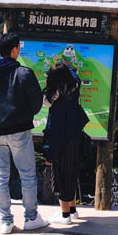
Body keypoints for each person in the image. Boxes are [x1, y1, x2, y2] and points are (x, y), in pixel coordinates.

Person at [0, 33, 49, 234]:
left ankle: (6, 221)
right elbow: (36, 103)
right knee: (27, 175)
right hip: (19, 131)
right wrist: (23, 114)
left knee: (0, 177)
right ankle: (31, 217)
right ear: (14, 50)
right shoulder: (24, 73)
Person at [42, 62, 89, 224]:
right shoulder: (74, 87)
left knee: (62, 179)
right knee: (71, 175)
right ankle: (73, 210)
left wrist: (49, 154)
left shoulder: (57, 103)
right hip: (75, 140)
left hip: (62, 144)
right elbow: (74, 74)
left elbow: (54, 132)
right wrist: (66, 68)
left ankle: (65, 215)